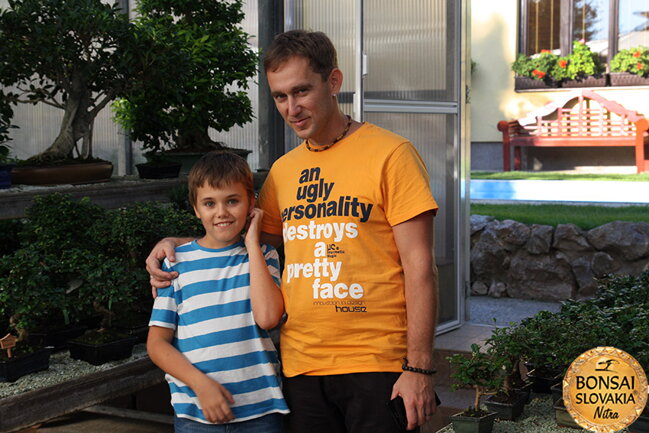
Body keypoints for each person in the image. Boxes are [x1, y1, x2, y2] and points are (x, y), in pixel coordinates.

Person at [147, 30, 439, 433]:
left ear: (333, 82)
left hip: (377, 363)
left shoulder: (391, 155)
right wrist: (177, 243)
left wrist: (419, 368)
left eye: (301, 91)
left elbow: (421, 267)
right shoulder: (284, 172)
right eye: (280, 96)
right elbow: (243, 238)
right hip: (301, 367)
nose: (292, 108)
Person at [147, 151, 289, 433]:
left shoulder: (263, 256)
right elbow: (157, 343)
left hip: (260, 411)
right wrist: (200, 384)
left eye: (233, 201)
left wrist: (252, 245)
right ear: (196, 209)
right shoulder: (177, 263)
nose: (222, 212)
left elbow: (269, 318)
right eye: (209, 203)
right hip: (197, 414)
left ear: (251, 202)